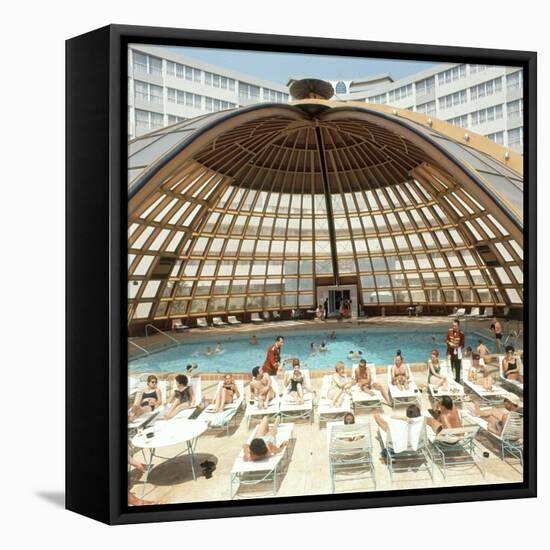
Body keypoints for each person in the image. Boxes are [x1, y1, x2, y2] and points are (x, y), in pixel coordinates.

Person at [445, 319, 465, 383]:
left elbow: (462, 344)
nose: (453, 327)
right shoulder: (449, 331)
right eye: (453, 325)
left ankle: (457, 381)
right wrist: (449, 343)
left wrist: (458, 347)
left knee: (457, 368)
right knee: (449, 367)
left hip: (457, 352)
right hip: (450, 352)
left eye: (455, 326)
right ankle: (450, 381)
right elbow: (446, 340)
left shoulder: (461, 334)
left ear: (458, 326)